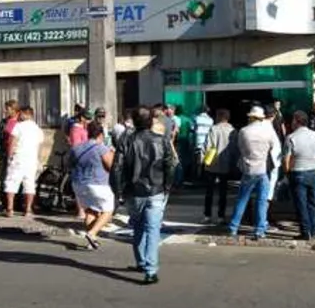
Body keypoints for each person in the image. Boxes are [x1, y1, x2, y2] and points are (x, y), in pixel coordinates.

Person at [114, 106, 179, 285]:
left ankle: (142, 261)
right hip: (156, 189)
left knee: (138, 226)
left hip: (134, 190)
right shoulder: (161, 140)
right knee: (152, 229)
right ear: (151, 121)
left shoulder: (126, 140)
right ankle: (150, 269)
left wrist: (118, 191)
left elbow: (117, 167)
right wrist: (168, 186)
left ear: (134, 121)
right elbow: (170, 165)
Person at [228, 106, 281, 240]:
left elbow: (241, 148)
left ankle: (233, 227)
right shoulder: (268, 132)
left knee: (242, 199)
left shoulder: (243, 131)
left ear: (251, 117)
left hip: (248, 169)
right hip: (262, 169)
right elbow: (272, 147)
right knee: (262, 201)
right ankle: (260, 230)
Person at [70, 121, 116, 250]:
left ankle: (92, 240)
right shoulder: (101, 148)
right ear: (101, 135)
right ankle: (92, 233)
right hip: (97, 184)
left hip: (78, 184)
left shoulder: (77, 148)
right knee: (108, 210)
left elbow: (70, 164)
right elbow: (110, 166)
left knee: (91, 211)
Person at [284, 111, 315, 241]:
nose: (291, 123)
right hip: (313, 171)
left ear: (297, 121)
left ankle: (305, 232)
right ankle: (313, 231)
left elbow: (286, 158)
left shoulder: (291, 137)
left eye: (293, 120)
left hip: (298, 172)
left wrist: (287, 173)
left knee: (301, 204)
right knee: (313, 203)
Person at [3, 106, 44, 218]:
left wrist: (9, 156)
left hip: (18, 158)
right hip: (32, 160)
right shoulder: (38, 129)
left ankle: (10, 209)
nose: (19, 116)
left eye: (21, 114)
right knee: (30, 184)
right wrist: (38, 160)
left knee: (12, 182)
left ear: (27, 114)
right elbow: (39, 147)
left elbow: (12, 142)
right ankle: (28, 210)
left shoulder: (18, 126)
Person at [202, 109, 236, 224]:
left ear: (218, 117)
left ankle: (207, 215)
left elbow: (208, 146)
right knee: (223, 191)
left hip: (212, 163)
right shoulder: (233, 131)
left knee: (209, 191)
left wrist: (203, 160)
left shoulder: (213, 129)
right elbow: (234, 149)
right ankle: (221, 216)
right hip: (226, 164)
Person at [193, 105, 214, 175]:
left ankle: (197, 175)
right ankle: (204, 174)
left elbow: (192, 129)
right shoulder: (211, 120)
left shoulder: (196, 118)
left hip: (198, 142)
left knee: (197, 161)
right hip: (206, 143)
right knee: (206, 159)